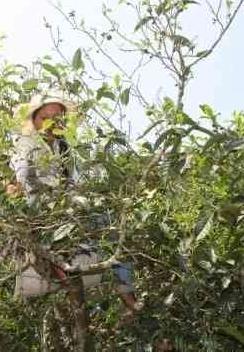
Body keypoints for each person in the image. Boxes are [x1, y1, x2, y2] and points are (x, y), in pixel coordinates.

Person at [7, 91, 143, 317]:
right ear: (34, 120)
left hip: (68, 209)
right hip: (41, 210)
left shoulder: (65, 147)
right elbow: (20, 175)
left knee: (113, 228)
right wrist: (16, 189)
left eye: (57, 118)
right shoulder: (25, 144)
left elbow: (74, 183)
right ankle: (63, 271)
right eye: (45, 118)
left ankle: (127, 295)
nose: (52, 124)